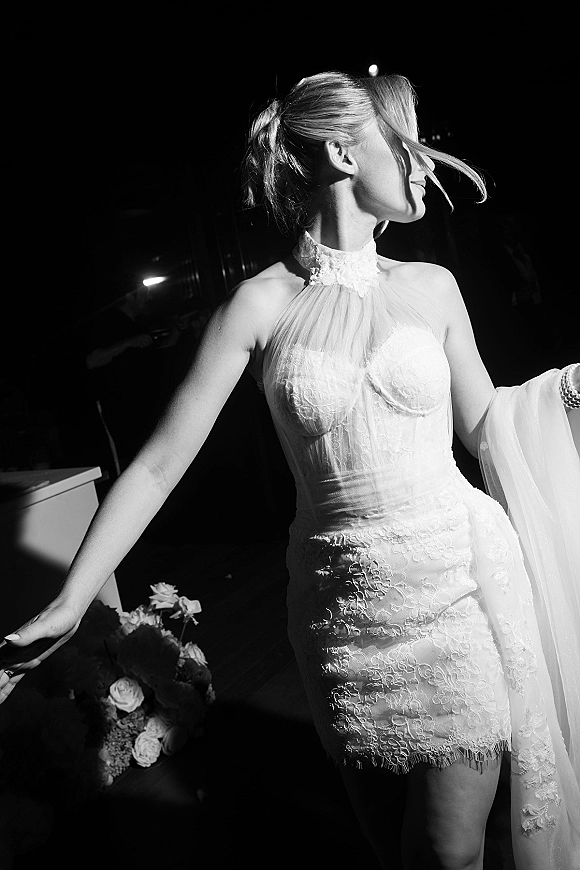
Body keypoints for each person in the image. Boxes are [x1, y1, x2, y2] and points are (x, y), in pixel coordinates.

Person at [1, 71, 579, 870]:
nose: (427, 167)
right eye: (409, 145)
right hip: (340, 612)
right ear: (343, 152)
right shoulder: (257, 307)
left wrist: (571, 395)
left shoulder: (434, 289)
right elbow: (160, 466)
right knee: (392, 852)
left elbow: (489, 428)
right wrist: (70, 600)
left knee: (448, 854)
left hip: (457, 595)